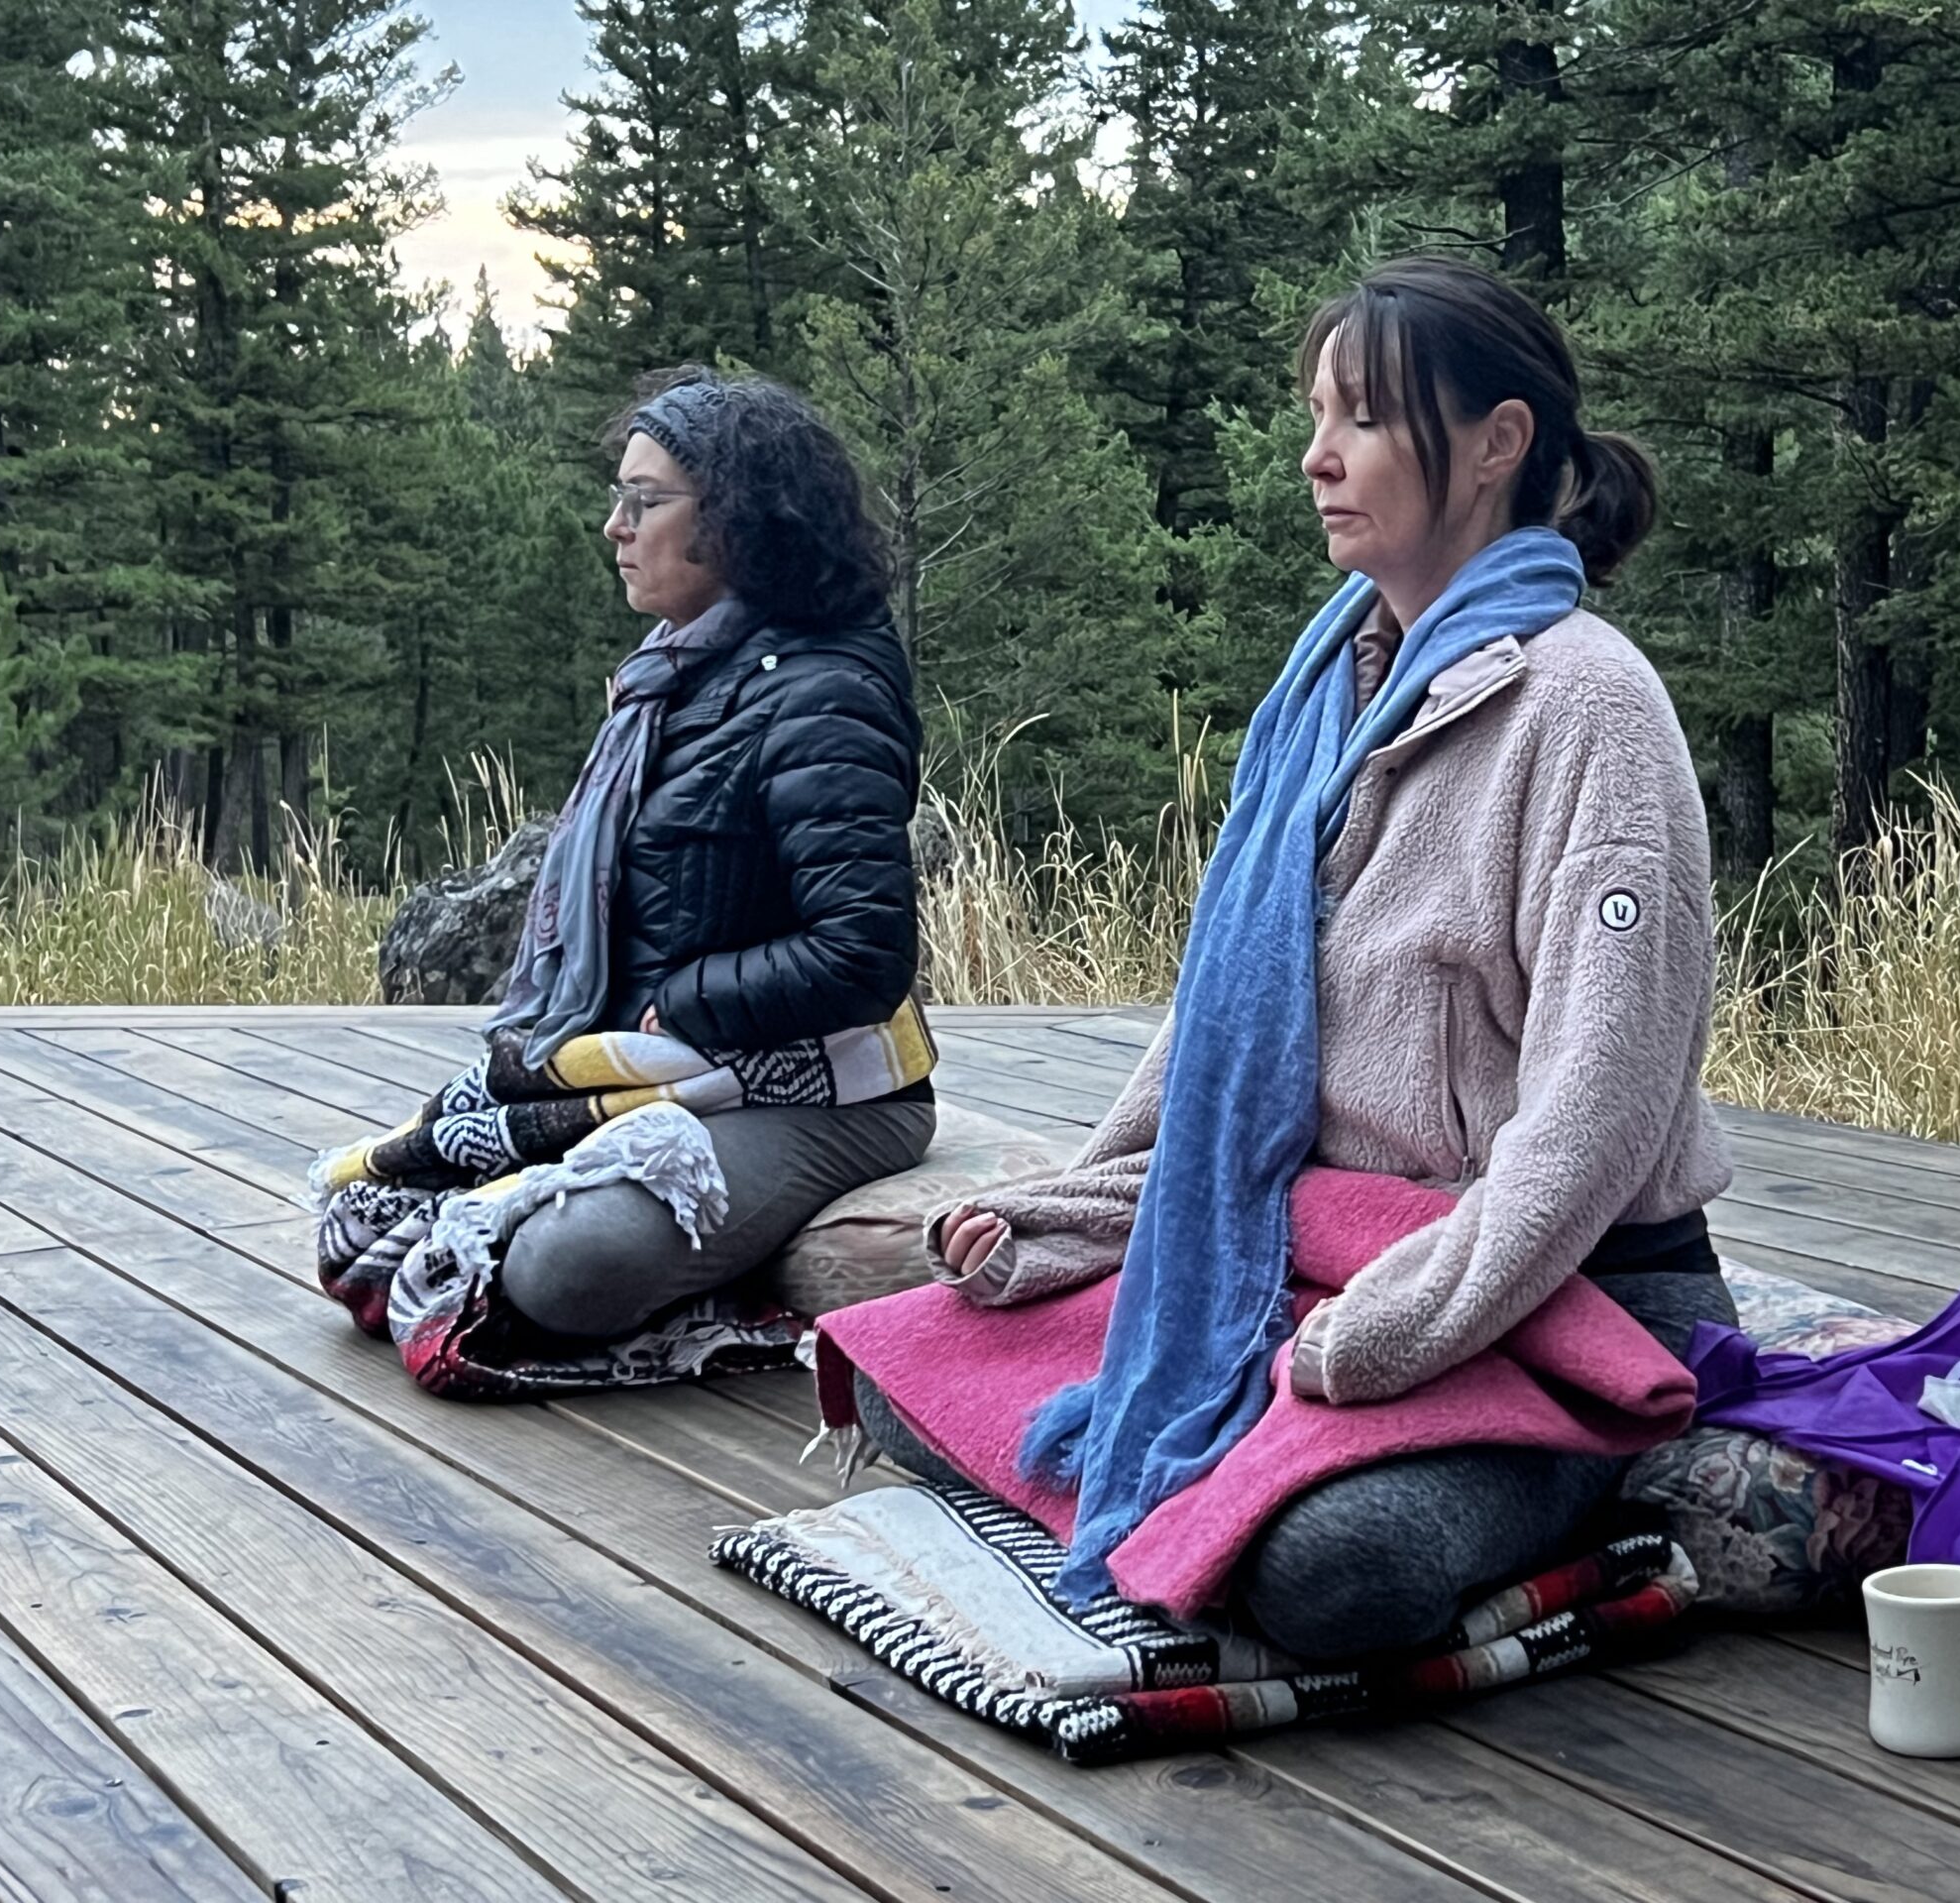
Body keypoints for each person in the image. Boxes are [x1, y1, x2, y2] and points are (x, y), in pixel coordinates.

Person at [851, 257, 1737, 1660]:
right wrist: (1075, 1215)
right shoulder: (1330, 689)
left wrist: (1386, 1338)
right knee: (912, 1370)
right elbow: (1224, 1037)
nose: (1317, 458)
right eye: (1314, 416)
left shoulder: (1592, 713)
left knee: (1336, 1573)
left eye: (1364, 420)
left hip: (1564, 1298)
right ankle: (1261, 1435)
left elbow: (1595, 1121)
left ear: (1501, 443)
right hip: (1319, 1253)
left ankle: (1572, 1471)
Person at [489, 368, 936, 1341]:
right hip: (676, 1071)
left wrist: (676, 1004)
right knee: (429, 1177)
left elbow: (862, 958)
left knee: (560, 1266)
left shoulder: (826, 693)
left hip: (827, 1092)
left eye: (644, 502)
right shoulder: (674, 680)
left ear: (737, 521)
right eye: (620, 497)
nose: (615, 525)